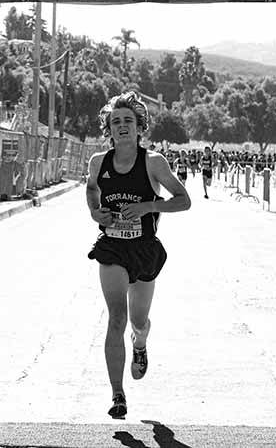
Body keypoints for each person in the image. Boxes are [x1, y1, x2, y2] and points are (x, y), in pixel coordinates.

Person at [85, 92, 191, 418]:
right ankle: (118, 395)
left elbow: (183, 200)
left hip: (144, 249)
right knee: (115, 318)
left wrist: (148, 206)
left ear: (139, 126)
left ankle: (140, 342)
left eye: (128, 121)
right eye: (115, 122)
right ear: (109, 129)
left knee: (136, 320)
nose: (122, 126)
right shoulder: (98, 162)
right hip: (112, 248)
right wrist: (96, 212)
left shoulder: (153, 162)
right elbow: (92, 189)